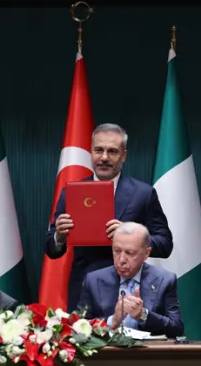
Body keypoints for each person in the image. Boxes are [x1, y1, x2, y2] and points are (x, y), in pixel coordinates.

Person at [45, 123, 173, 311]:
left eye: (112, 151)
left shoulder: (143, 194)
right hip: (84, 293)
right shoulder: (71, 193)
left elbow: (165, 244)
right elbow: (51, 248)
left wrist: (131, 237)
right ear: (91, 153)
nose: (104, 157)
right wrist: (59, 236)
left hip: (130, 294)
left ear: (124, 156)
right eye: (98, 150)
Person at [77, 222, 184, 338]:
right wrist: (113, 321)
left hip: (149, 349)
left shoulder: (165, 280)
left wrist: (142, 315)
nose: (121, 260)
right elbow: (77, 327)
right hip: (108, 349)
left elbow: (176, 329)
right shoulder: (93, 280)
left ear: (146, 253)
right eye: (117, 251)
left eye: (130, 253)